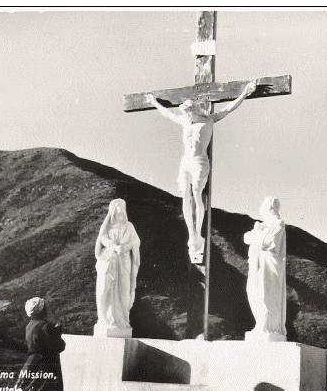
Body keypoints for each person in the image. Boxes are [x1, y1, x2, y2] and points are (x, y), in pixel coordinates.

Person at [145, 80, 257, 263]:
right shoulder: (184, 121)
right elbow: (167, 114)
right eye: (185, 112)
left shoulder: (209, 120)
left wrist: (245, 92)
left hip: (199, 161)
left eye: (188, 111)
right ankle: (192, 235)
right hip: (186, 162)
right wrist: (154, 102)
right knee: (185, 197)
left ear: (194, 109)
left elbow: (230, 108)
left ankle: (198, 233)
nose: (186, 114)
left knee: (197, 196)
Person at [94, 199, 141, 336]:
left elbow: (136, 241)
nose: (120, 215)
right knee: (108, 291)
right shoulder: (107, 227)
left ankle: (123, 321)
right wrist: (113, 245)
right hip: (111, 262)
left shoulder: (129, 226)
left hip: (125, 262)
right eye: (117, 213)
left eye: (122, 213)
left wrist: (125, 247)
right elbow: (102, 238)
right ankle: (108, 320)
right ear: (113, 213)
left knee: (124, 292)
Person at [243, 197, 287, 338]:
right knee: (252, 290)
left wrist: (257, 232)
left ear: (269, 208)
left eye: (262, 205)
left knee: (265, 294)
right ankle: (260, 323)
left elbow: (267, 242)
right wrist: (257, 232)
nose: (260, 208)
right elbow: (246, 238)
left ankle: (268, 326)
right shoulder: (263, 225)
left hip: (269, 266)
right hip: (258, 264)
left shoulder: (278, 224)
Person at [13, 297, 65, 391]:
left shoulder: (29, 326)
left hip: (32, 364)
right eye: (44, 307)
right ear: (41, 310)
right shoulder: (46, 326)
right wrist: (57, 332)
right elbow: (60, 346)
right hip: (47, 367)